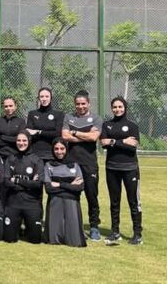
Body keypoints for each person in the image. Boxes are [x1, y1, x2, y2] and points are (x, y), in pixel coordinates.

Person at [100, 96, 143, 246]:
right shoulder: (107, 125)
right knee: (114, 202)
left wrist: (112, 142)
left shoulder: (132, 126)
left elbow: (132, 146)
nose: (117, 109)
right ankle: (115, 232)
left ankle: (137, 234)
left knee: (134, 201)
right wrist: (123, 141)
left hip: (130, 169)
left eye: (120, 107)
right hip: (112, 168)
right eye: (115, 107)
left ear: (125, 108)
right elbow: (103, 143)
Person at [61, 90, 101, 241]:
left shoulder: (96, 118)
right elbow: (65, 136)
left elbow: (94, 137)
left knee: (91, 195)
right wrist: (85, 135)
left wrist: (75, 133)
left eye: (83, 103)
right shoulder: (68, 117)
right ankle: (72, 225)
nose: (80, 106)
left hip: (89, 163)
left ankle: (94, 226)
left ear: (89, 103)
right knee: (71, 194)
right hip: (71, 163)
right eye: (77, 104)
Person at [44, 138, 86, 247]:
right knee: (53, 240)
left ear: (66, 149)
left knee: (75, 241)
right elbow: (49, 189)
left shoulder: (75, 165)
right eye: (56, 149)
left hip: (72, 201)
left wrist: (59, 184)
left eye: (62, 148)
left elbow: (80, 187)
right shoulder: (48, 165)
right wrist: (71, 185)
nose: (59, 152)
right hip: (55, 201)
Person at [3, 132, 43, 244]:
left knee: (35, 240)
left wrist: (16, 180)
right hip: (14, 201)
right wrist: (28, 183)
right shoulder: (10, 158)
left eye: (24, 140)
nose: (21, 143)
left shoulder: (37, 160)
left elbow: (38, 184)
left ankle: (27, 228)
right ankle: (17, 228)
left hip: (31, 202)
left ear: (29, 141)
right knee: (9, 239)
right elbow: (6, 181)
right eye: (19, 140)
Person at [27, 87, 65, 162]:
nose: (44, 99)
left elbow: (58, 133)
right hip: (35, 153)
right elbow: (30, 132)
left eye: (47, 96)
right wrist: (49, 133)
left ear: (51, 98)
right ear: (38, 98)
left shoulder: (59, 114)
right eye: (42, 96)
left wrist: (38, 132)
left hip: (52, 154)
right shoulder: (32, 114)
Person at [0, 97, 26, 161]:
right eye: (6, 106)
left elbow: (20, 139)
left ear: (15, 106)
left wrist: (2, 137)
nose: (8, 108)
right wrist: (12, 141)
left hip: (15, 156)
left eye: (11, 106)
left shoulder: (21, 122)